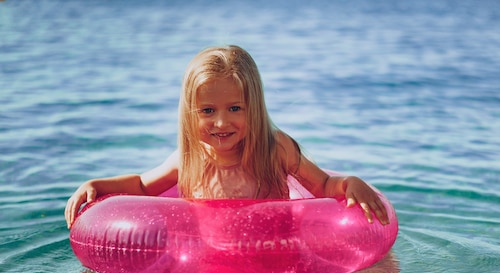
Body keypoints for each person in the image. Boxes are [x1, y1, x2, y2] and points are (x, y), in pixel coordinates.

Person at [65, 45, 390, 228]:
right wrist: (98, 185)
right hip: (213, 255)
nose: (222, 122)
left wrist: (349, 183)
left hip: (273, 250)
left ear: (255, 107)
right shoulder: (189, 158)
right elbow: (141, 186)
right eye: (208, 111)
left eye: (235, 108)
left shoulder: (274, 148)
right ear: (191, 112)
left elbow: (322, 186)